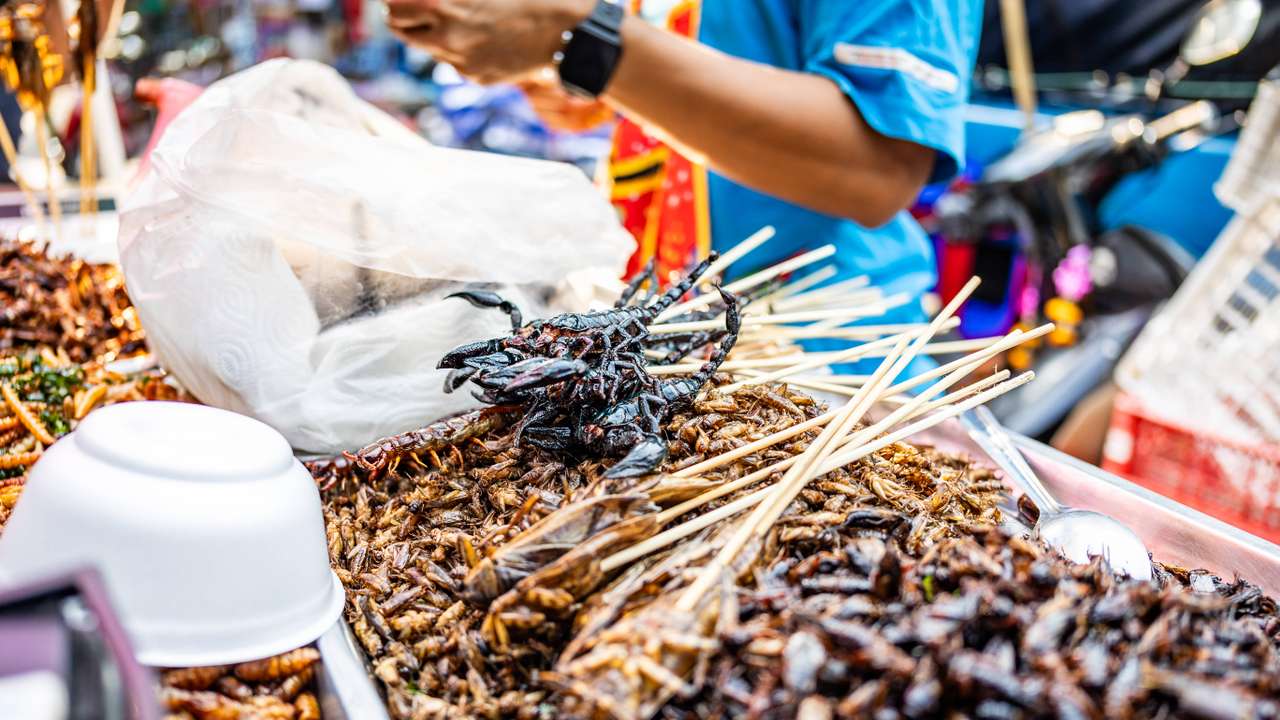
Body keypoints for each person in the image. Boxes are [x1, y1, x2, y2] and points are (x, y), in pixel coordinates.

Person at [384, 0, 982, 371]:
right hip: (658, 345)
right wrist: (585, 81)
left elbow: (880, 168)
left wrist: (588, 41)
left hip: (821, 368)